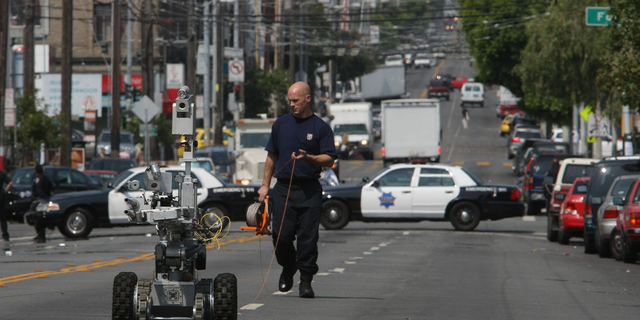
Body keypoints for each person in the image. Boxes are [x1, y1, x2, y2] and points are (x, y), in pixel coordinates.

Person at [258, 81, 337, 299]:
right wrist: (265, 185)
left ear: (308, 99)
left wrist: (309, 157)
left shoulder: (320, 127)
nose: (291, 104)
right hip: (283, 188)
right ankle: (288, 266)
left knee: (307, 239)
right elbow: (271, 156)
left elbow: (329, 159)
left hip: (309, 189)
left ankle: (305, 280)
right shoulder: (281, 124)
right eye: (290, 101)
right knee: (281, 237)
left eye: (296, 100)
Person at [31, 164, 52, 243]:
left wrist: (40, 198)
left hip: (39, 200)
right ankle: (41, 235)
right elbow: (51, 186)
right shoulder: (45, 177)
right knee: (41, 219)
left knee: (36, 219)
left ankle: (41, 235)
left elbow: (39, 189)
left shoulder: (38, 178)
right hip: (45, 199)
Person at [0, 169, 14, 241]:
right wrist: (5, 191)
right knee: (2, 217)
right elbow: (10, 183)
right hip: (1, 196)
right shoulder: (2, 174)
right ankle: (5, 235)